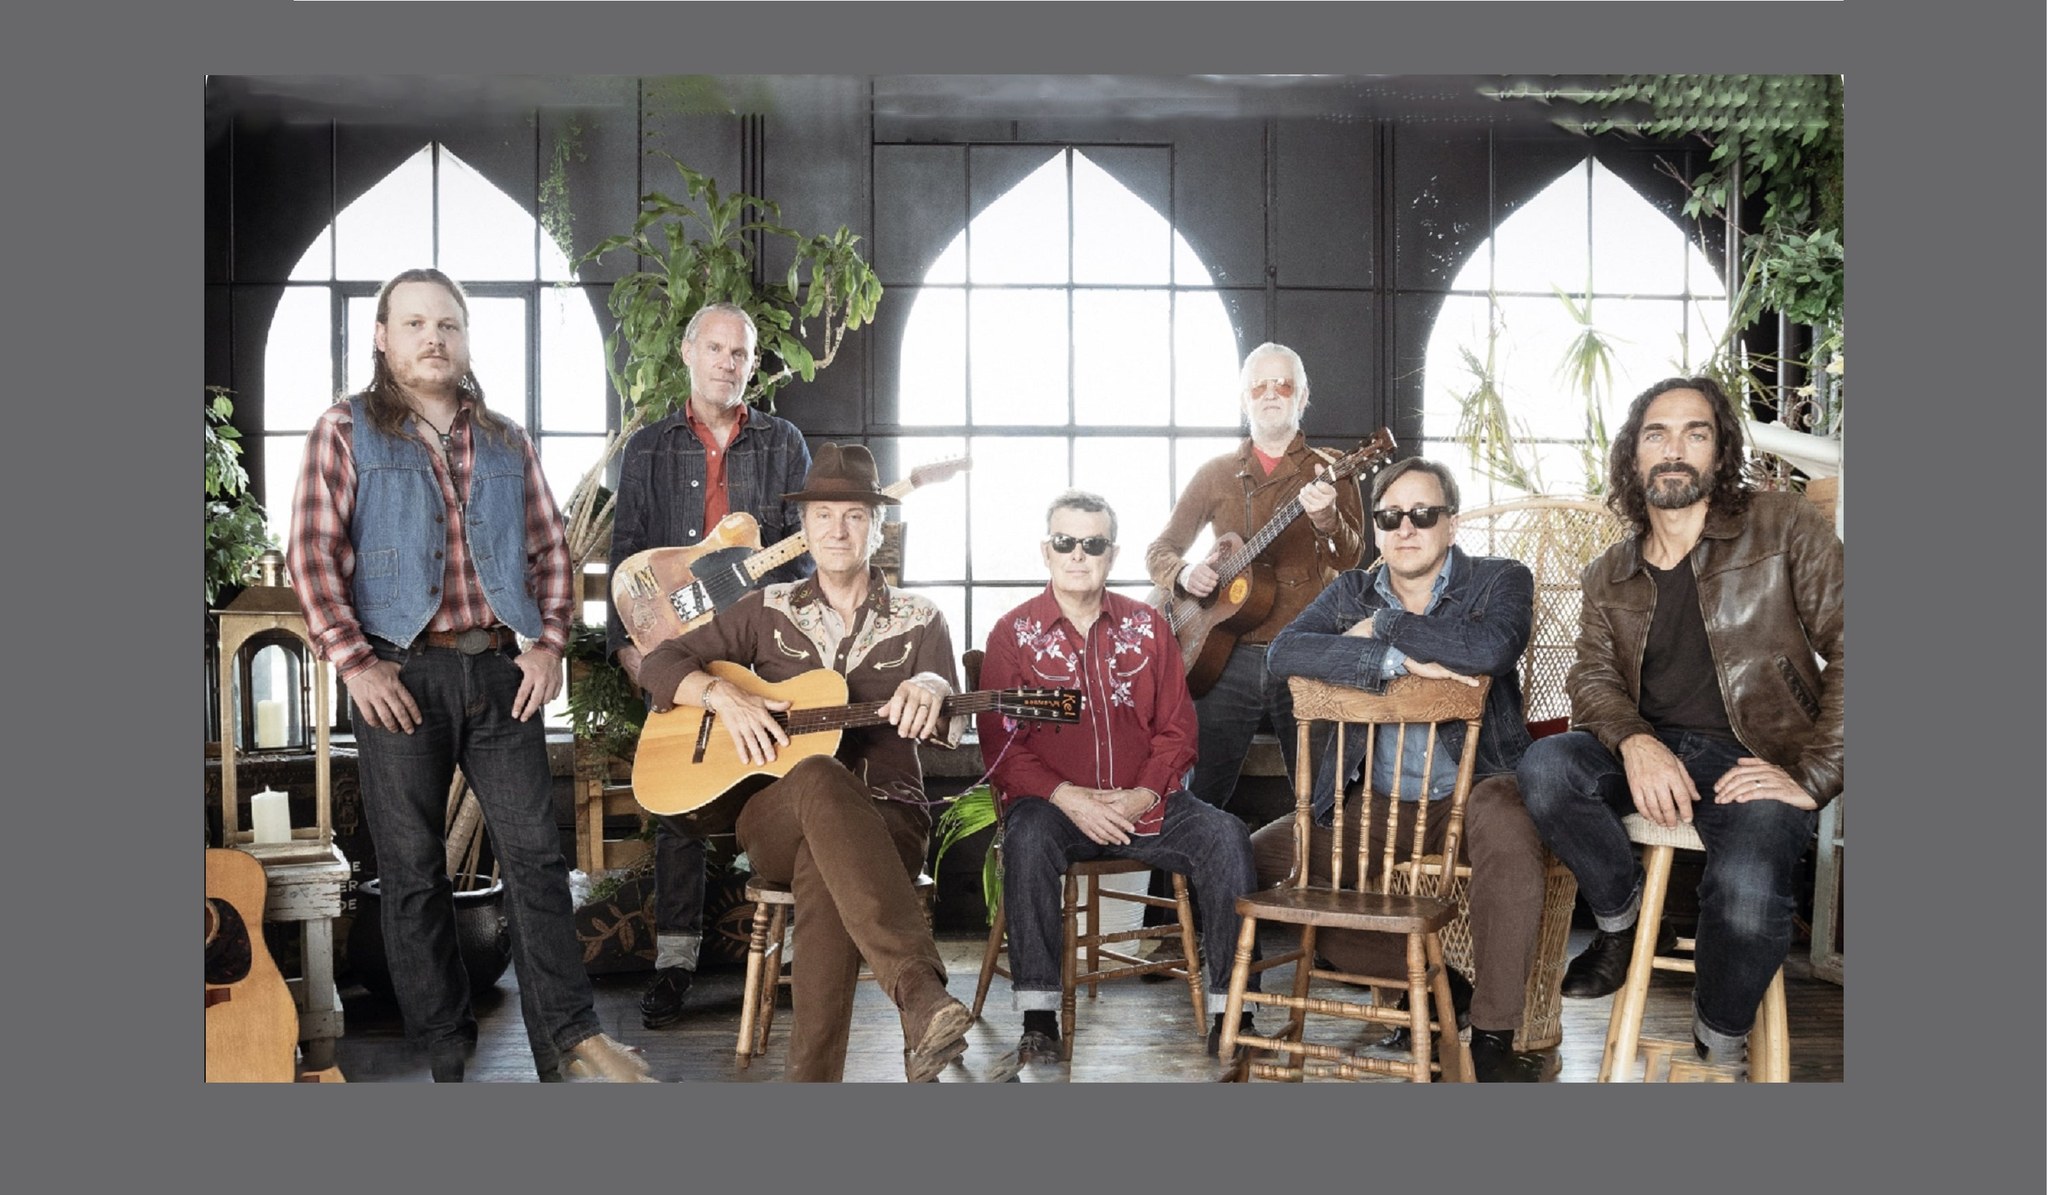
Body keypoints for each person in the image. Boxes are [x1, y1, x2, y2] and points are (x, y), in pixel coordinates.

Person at [288, 267, 653, 1083]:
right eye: (413, 323)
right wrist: (356, 663)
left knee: (534, 859)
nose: (433, 337)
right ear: (382, 338)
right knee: (413, 872)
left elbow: (551, 553)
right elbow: (312, 556)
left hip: (500, 673)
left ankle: (570, 1044)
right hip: (398, 678)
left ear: (463, 338)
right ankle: (447, 1054)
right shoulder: (344, 430)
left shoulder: (505, 438)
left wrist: (550, 644)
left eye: (447, 324)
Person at [1517, 376, 1843, 1068]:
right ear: (1634, 458)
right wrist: (1635, 741)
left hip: (1754, 757)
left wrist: (1813, 776)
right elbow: (1594, 678)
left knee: (1750, 895)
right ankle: (1623, 920)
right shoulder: (1609, 571)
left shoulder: (1782, 526)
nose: (1674, 449)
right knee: (1545, 768)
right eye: (1656, 434)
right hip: (1651, 750)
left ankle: (1719, 1038)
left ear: (1720, 451)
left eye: (1695, 433)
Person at [636, 443, 973, 1082]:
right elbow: (659, 663)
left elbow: (946, 717)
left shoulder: (921, 618)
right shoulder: (767, 608)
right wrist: (721, 693)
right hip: (775, 818)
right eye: (823, 515)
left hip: (892, 818)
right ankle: (920, 994)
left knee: (827, 866)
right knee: (817, 775)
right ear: (805, 527)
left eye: (853, 516)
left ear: (878, 527)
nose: (837, 530)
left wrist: (931, 687)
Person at [1253, 456, 1554, 1082]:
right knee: (1264, 859)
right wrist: (1393, 660)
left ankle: (1495, 1038)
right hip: (1380, 797)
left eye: (1424, 514)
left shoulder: (1500, 581)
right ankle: (1450, 989)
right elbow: (1285, 653)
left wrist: (1385, 625)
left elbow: (1489, 648)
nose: (1406, 528)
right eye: (1391, 517)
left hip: (1476, 787)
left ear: (1452, 523)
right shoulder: (1349, 593)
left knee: (1510, 827)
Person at [977, 490, 1262, 1063]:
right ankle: (1039, 1017)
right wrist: (1070, 798)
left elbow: (1178, 730)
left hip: (1147, 806)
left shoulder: (1149, 627)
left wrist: (1141, 795)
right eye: (1066, 542)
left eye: (1093, 543)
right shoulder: (1012, 635)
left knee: (1226, 835)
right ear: (1046, 550)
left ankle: (1234, 1009)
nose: (1078, 554)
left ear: (1112, 553)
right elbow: (1001, 745)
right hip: (1056, 810)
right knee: (1027, 837)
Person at [605, 301, 813, 1031]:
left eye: (742, 353)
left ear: (753, 365)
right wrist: (631, 649)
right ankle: (674, 963)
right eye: (717, 348)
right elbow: (625, 558)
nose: (729, 362)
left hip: (762, 643)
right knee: (677, 802)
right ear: (689, 352)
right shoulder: (650, 448)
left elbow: (806, 552)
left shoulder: (784, 442)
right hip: (677, 651)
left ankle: (791, 958)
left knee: (787, 780)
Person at [1144, 342, 1366, 813]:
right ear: (1245, 398)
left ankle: (1320, 888)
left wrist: (1326, 520)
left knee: (1324, 802)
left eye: (1283, 384)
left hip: (1306, 652)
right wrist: (1184, 575)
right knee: (1194, 800)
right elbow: (1158, 552)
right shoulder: (1216, 473)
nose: (1271, 393)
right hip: (1225, 657)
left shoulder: (1329, 470)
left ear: (1302, 398)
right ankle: (1178, 890)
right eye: (1259, 386)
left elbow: (1352, 560)